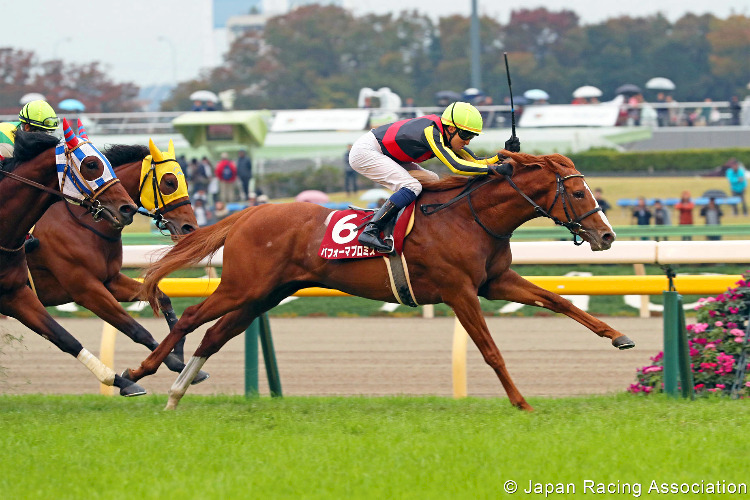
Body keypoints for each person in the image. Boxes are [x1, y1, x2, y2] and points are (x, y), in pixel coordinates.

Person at [348, 101, 520, 252]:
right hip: (366, 151)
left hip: (389, 154)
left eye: (472, 136)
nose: (468, 141)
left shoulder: (447, 134)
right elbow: (458, 167)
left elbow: (476, 161)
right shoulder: (431, 132)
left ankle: (416, 225)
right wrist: (494, 170)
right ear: (452, 128)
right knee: (412, 186)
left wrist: (502, 155)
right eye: (466, 135)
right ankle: (371, 230)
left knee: (432, 179)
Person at [0, 100, 60, 252]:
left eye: (49, 133)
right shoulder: (6, 140)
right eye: (42, 132)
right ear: (27, 127)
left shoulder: (29, 139)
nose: (46, 137)